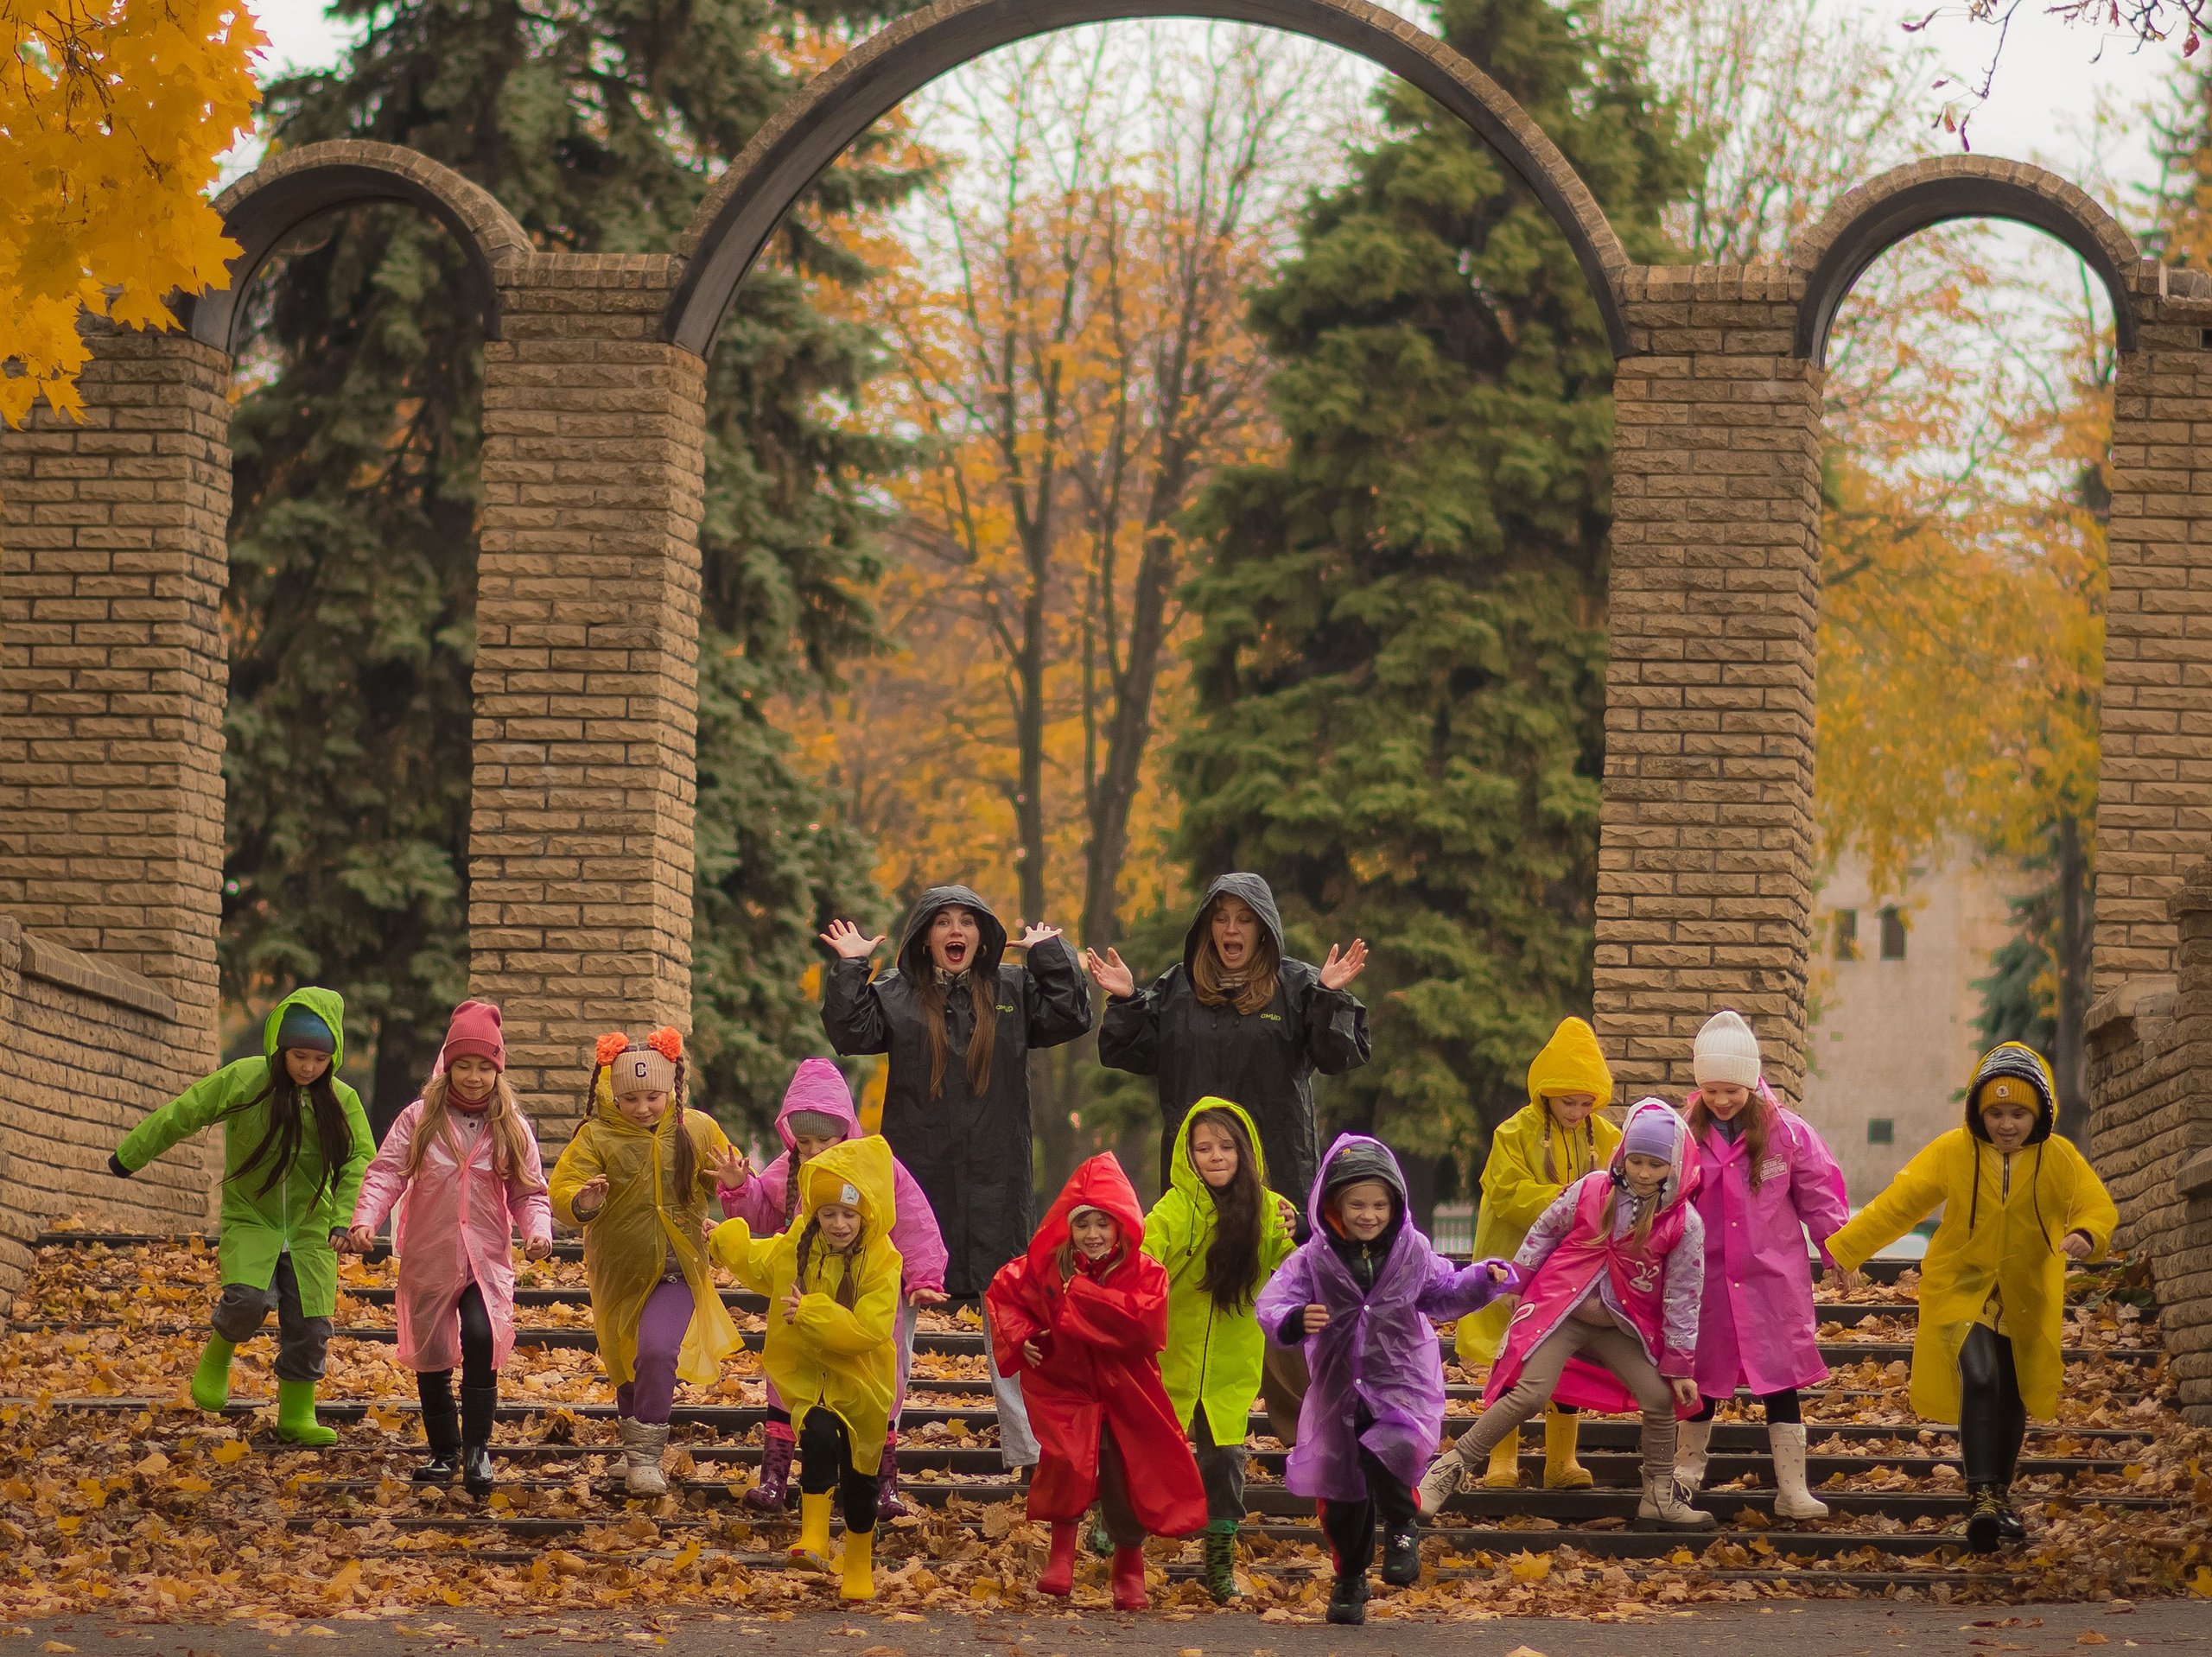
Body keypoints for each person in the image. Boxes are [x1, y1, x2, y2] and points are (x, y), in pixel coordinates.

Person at [819, 886, 1091, 1475]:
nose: (955, 930)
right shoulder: (897, 998)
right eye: (943, 921)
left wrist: (1050, 955)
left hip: (997, 1182)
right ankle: (877, 1444)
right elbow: (850, 1033)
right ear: (925, 936)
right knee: (894, 1316)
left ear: (983, 934)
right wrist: (849, 966)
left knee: (1011, 1319)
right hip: (919, 1184)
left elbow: (1072, 1014)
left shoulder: (1015, 991)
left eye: (967, 920)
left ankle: (1030, 1452)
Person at [1826, 1042, 2115, 1553]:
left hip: (2026, 1292)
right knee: (1980, 1377)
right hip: (1960, 1286)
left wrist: (2088, 1235)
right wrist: (1846, 1250)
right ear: (1979, 1113)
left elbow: (2094, 1205)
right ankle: (1981, 1496)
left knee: (2014, 1392)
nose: (2007, 1125)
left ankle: (2001, 1496)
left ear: (2040, 1113)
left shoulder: (2060, 1158)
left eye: (2019, 1113)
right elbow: (1900, 1203)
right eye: (1996, 1112)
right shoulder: (1954, 1151)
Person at [1415, 1099, 1714, 1538]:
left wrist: (1680, 1362)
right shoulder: (1593, 1189)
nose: (1644, 1173)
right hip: (1564, 1308)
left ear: (1674, 1165)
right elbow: (1544, 1229)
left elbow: (1683, 1295)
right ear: (1622, 1157)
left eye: (1655, 1164)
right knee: (1530, 1394)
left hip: (1620, 1322)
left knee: (1660, 1398)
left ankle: (1658, 1496)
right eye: (1636, 1161)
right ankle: (1446, 1471)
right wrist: (1518, 1283)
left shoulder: (1683, 1222)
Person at [1255, 1136, 1518, 1627]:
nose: (1369, 1214)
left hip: (1400, 1376)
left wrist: (1484, 1278)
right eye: (1357, 1204)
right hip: (1338, 1385)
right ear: (1333, 1203)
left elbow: (1442, 1290)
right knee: (1342, 1492)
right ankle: (1350, 1578)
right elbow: (1273, 1301)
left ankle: (1401, 1524)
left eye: (1380, 1204)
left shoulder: (1411, 1250)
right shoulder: (1314, 1257)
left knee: (1392, 1449)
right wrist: (1293, 1320)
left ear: (1396, 1203)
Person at [107, 987, 373, 1446]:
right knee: (247, 1300)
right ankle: (218, 1355)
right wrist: (129, 1155)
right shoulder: (247, 1080)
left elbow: (360, 1162)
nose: (309, 1067)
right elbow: (185, 1112)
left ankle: (297, 1414)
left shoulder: (342, 1100)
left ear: (334, 1056)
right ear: (280, 1048)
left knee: (311, 1325)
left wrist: (343, 1219)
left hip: (313, 1230)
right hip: (253, 1217)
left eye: (319, 1058)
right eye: (299, 1055)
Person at [716, 1057, 948, 1518]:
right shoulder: (792, 1168)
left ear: (846, 1131)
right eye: (804, 1142)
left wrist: (923, 1278)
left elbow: (916, 1222)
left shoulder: (879, 1167)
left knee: (877, 1387)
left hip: (866, 1294)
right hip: (804, 1295)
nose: (815, 1150)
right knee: (788, 1382)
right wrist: (741, 1187)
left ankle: (882, 1484)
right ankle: (775, 1478)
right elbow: (764, 1212)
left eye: (825, 1139)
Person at [347, 1001, 554, 1495]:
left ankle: (477, 1450)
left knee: (482, 1336)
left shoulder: (510, 1124)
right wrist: (365, 1219)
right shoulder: (420, 1118)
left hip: (485, 1257)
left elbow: (529, 1190)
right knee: (434, 1353)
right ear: (448, 1064)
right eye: (465, 1065)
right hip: (430, 1253)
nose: (475, 1077)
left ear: (498, 1070)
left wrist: (537, 1231)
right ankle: (445, 1450)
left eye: (486, 1067)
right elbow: (387, 1172)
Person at [987, 1153, 1207, 1612]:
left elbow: (1143, 1326)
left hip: (1129, 1390)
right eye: (1083, 1223)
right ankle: (1061, 1553)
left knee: (1128, 1473)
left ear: (1121, 1225)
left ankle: (1129, 1564)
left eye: (1103, 1224)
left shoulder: (1147, 1272)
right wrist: (1022, 1335)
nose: (1093, 1235)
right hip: (1066, 1387)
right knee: (1066, 1460)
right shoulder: (1047, 1268)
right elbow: (1007, 1294)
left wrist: (1080, 1301)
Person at [1088, 873, 1370, 1212]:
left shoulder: (1299, 985)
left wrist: (1328, 999)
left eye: (1244, 919)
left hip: (1276, 1172)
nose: (1231, 929)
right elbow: (1129, 1052)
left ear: (1263, 928)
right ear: (1208, 927)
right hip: (1195, 1174)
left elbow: (1339, 1057)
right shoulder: (1178, 987)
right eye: (1221, 918)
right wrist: (1128, 1000)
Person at [549, 1028, 746, 1496]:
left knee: (658, 1352)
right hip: (619, 1271)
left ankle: (644, 1457)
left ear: (671, 1089)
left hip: (677, 1271)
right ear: (612, 1095)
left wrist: (736, 1182)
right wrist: (583, 1201)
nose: (642, 1108)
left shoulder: (697, 1129)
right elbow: (561, 1191)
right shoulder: (595, 1137)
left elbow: (728, 1176)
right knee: (627, 1361)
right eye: (630, 1098)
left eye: (653, 1096)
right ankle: (632, 1448)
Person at [1674, 1010, 1850, 1521]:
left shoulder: (1788, 1134)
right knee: (1699, 1376)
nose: (1722, 1100)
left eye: (1732, 1089)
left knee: (1781, 1379)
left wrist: (1838, 1249)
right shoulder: (1684, 1134)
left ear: (1752, 1080)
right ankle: (1684, 1476)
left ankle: (1792, 1487)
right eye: (1711, 1090)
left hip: (1771, 1277)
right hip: (1704, 1278)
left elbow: (1820, 1195)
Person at [711, 1135, 902, 1601]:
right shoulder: (801, 1243)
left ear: (867, 1215)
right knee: (815, 1433)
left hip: (864, 1384)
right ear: (814, 1213)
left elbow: (871, 1329)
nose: (839, 1224)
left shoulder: (882, 1260)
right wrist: (722, 1239)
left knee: (860, 1478)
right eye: (829, 1213)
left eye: (849, 1214)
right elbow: (763, 1263)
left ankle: (858, 1563)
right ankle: (814, 1534)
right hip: (809, 1378)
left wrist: (813, 1313)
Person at [1453, 1016, 1623, 1493]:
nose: (1577, 1110)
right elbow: (1505, 1192)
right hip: (1516, 1264)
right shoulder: (1514, 1132)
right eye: (1569, 1101)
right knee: (1510, 1355)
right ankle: (1501, 1461)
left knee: (1570, 1357)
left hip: (1576, 1271)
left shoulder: (1608, 1137)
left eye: (1586, 1102)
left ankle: (1561, 1461)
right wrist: (1570, 1198)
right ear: (1546, 1091)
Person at [1141, 1100, 1299, 1603]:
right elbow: (1144, 1254)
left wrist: (1304, 1234)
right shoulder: (1174, 1208)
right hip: (1171, 1358)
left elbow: (1293, 1266)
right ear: (1187, 1155)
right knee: (1143, 1451)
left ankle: (1218, 1561)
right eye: (1203, 1147)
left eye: (1226, 1146)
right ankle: (1120, 1530)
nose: (1215, 1157)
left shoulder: (1269, 1209)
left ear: (1244, 1152)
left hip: (1233, 1364)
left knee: (1225, 1461)